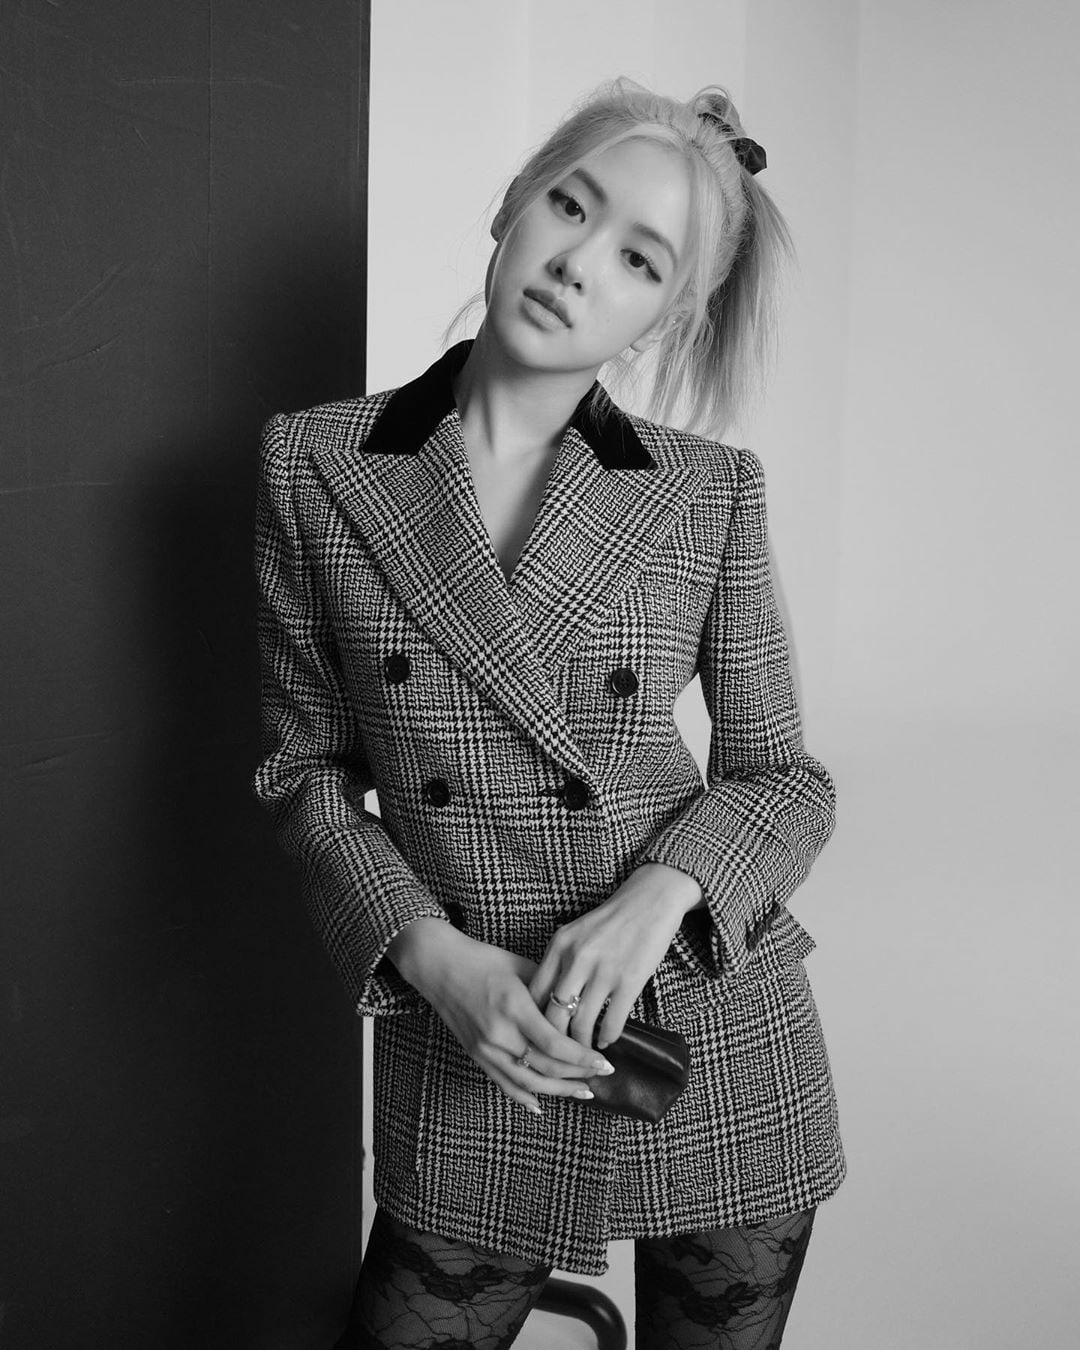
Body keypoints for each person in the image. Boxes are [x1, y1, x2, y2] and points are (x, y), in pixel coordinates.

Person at [252, 76, 844, 1350]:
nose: (579, 263)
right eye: (570, 207)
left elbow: (783, 780)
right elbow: (304, 773)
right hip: (478, 1038)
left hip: (706, 1030)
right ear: (513, 207)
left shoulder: (707, 492)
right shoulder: (314, 465)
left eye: (639, 258)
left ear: (664, 315)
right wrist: (429, 955)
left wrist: (663, 893)